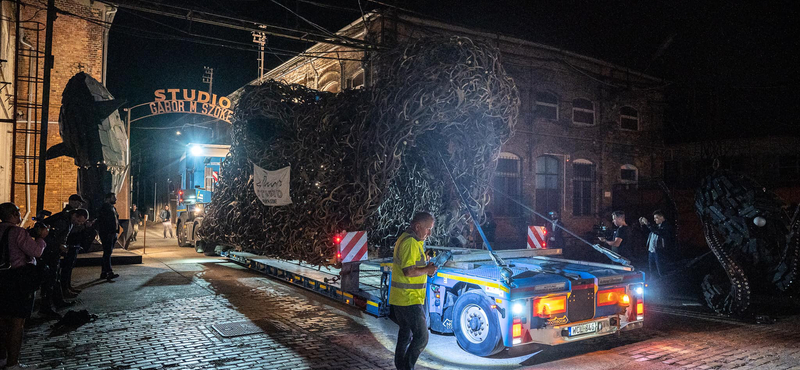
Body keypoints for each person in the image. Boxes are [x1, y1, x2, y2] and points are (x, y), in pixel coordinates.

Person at [0, 202, 48, 370]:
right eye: (18, 212)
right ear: (13, 214)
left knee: (2, 321)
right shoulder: (17, 232)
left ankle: (2, 358)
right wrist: (41, 238)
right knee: (16, 323)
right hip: (17, 279)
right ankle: (13, 363)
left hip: (1, 278)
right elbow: (36, 252)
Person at [390, 212, 437, 370]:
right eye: (428, 229)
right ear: (417, 227)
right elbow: (408, 271)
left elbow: (413, 263)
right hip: (408, 299)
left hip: (402, 298)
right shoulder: (410, 242)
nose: (429, 233)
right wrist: (428, 270)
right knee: (422, 338)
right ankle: (406, 367)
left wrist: (425, 259)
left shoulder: (410, 239)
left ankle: (401, 367)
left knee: (405, 334)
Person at [39, 208, 89, 315]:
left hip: (54, 251)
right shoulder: (62, 221)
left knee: (56, 277)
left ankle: (58, 301)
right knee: (50, 280)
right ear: (75, 215)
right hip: (49, 252)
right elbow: (50, 237)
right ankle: (46, 307)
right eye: (79, 221)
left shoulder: (68, 221)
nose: (79, 224)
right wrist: (59, 246)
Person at [639, 210, 673, 280]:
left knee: (661, 271)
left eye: (656, 218)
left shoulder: (666, 226)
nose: (654, 220)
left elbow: (659, 232)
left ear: (662, 217)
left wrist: (648, 224)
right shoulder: (655, 226)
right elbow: (647, 232)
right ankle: (654, 285)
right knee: (652, 272)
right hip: (651, 251)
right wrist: (643, 225)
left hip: (660, 252)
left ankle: (664, 285)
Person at [97, 193, 120, 280]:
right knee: (107, 253)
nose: (115, 199)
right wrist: (108, 233)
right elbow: (103, 222)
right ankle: (109, 272)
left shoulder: (112, 208)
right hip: (108, 233)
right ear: (108, 198)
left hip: (112, 233)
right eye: (113, 197)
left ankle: (104, 272)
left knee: (107, 253)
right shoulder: (105, 208)